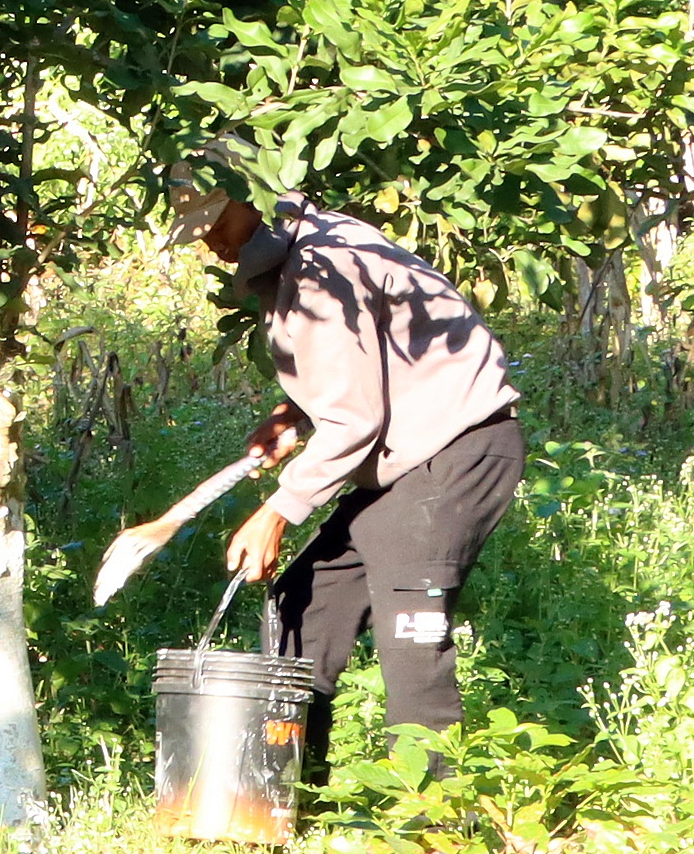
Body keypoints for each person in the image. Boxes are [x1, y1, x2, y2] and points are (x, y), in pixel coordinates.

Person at [179, 174, 527, 776]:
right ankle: (283, 794)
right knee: (304, 603)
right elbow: (368, 366)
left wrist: (276, 513)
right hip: (407, 455)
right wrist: (292, 414)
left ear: (248, 202)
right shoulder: (305, 251)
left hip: (455, 450)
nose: (207, 241)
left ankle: (433, 834)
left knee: (411, 641)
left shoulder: (322, 267)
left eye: (213, 222)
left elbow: (355, 421)